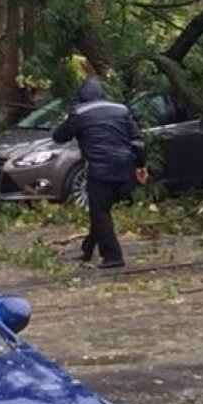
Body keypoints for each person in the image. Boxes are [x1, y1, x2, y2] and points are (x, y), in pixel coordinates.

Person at [53, 78, 147, 269]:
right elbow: (137, 140)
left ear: (81, 97)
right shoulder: (121, 110)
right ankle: (87, 250)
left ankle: (113, 256)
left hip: (100, 171)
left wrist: (68, 120)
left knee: (100, 213)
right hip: (125, 169)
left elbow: (59, 137)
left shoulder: (79, 113)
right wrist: (140, 165)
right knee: (101, 211)